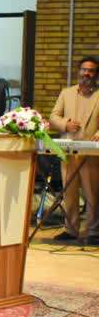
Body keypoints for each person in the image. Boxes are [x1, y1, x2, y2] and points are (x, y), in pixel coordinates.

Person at [49, 56, 99, 245]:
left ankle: (93, 232)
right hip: (68, 151)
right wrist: (66, 124)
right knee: (69, 192)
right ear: (79, 71)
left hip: (91, 153)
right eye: (84, 69)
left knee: (92, 194)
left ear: (96, 74)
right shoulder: (66, 93)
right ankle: (71, 229)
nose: (86, 73)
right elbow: (54, 116)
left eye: (91, 71)